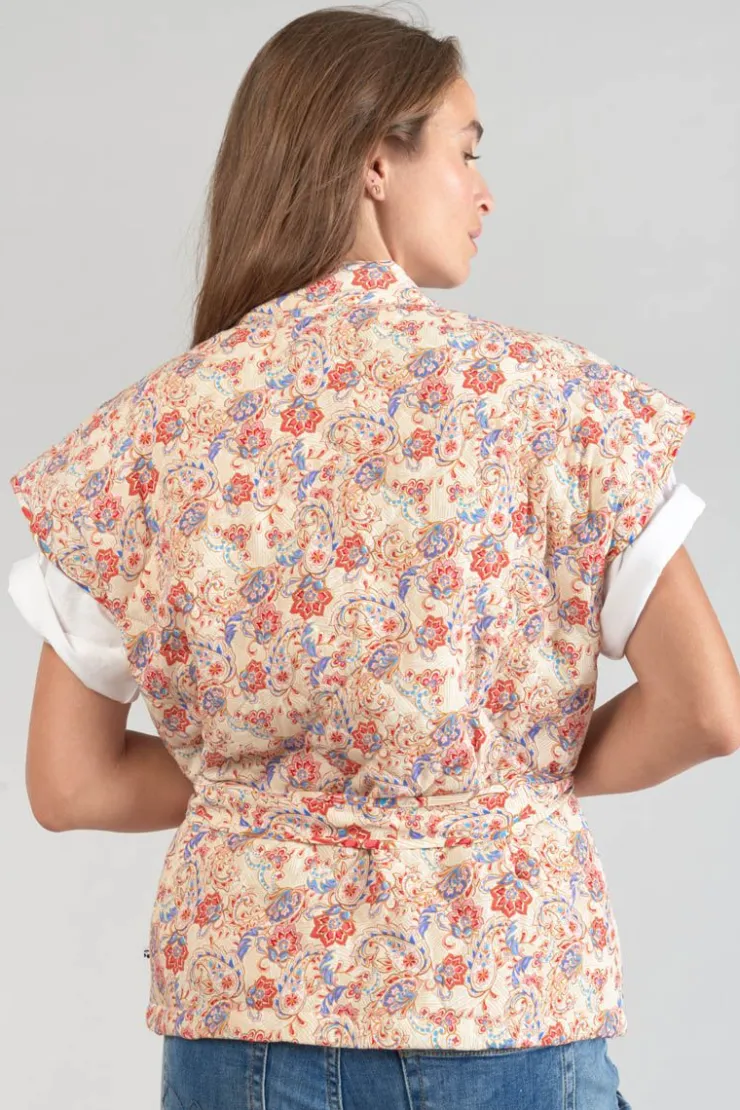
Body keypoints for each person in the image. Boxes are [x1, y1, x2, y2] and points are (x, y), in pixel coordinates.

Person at [7, 6, 738, 1110]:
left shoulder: (146, 441)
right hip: (500, 991)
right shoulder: (550, 407)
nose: (484, 192)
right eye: (466, 150)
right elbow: (706, 710)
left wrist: (281, 785)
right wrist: (502, 774)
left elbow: (69, 785)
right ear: (374, 163)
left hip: (245, 1011)